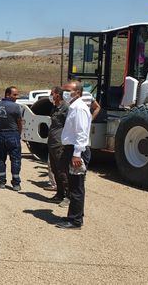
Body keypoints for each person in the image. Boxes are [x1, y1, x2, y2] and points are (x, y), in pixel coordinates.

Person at [56, 80, 92, 230]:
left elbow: (81, 133)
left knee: (76, 186)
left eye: (67, 90)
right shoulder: (74, 106)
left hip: (77, 151)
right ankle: (75, 215)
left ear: (77, 92)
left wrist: (77, 154)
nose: (64, 92)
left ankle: (75, 221)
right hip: (72, 149)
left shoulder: (79, 108)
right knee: (73, 185)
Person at [0, 86, 23, 191]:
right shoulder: (16, 107)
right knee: (15, 159)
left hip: (0, 134)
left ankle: (1, 181)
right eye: (14, 95)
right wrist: (18, 134)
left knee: (1, 158)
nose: (17, 97)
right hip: (12, 134)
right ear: (7, 94)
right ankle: (16, 183)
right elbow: (19, 122)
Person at [46, 86, 70, 207]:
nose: (51, 96)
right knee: (55, 170)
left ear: (58, 95)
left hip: (60, 144)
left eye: (52, 94)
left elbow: (69, 125)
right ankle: (59, 194)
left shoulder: (65, 108)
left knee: (62, 171)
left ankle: (67, 196)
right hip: (52, 143)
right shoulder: (55, 108)